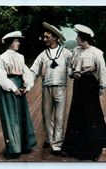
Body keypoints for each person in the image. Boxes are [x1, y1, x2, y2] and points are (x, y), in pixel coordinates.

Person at [61, 24, 106, 161]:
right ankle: (73, 148)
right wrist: (73, 74)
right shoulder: (76, 51)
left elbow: (102, 71)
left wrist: (102, 86)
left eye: (78, 37)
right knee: (76, 114)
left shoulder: (96, 53)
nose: (76, 39)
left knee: (91, 115)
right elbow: (70, 67)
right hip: (78, 85)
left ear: (84, 38)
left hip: (90, 86)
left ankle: (94, 150)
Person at [30, 22, 72, 155]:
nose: (44, 39)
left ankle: (57, 145)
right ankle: (49, 138)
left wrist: (74, 73)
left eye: (47, 37)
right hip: (46, 87)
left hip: (61, 87)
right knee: (46, 115)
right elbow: (33, 69)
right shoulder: (43, 54)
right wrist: (27, 81)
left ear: (55, 38)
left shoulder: (66, 53)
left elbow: (72, 68)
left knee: (59, 116)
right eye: (44, 37)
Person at [0, 31, 37, 159]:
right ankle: (14, 148)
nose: (18, 43)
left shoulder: (20, 57)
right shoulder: (2, 58)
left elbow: (26, 72)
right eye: (16, 41)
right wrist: (14, 88)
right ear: (10, 43)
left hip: (20, 86)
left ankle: (24, 145)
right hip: (9, 88)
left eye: (18, 41)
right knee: (11, 117)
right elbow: (1, 77)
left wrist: (27, 86)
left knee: (22, 115)